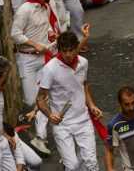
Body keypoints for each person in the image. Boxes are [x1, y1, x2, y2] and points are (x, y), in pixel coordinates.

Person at [36, 32, 102, 171]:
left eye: (71, 50)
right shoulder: (50, 69)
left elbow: (83, 85)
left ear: (77, 48)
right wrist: (50, 115)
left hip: (83, 120)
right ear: (59, 50)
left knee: (91, 164)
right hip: (62, 125)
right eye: (64, 51)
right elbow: (40, 98)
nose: (68, 54)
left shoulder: (84, 63)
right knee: (72, 167)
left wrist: (91, 105)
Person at [10, 0, 59, 155]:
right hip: (27, 60)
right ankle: (37, 133)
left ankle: (40, 137)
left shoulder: (45, 8)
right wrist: (33, 44)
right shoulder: (25, 10)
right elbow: (15, 34)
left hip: (43, 59)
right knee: (32, 101)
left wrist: (51, 35)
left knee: (42, 99)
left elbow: (44, 28)